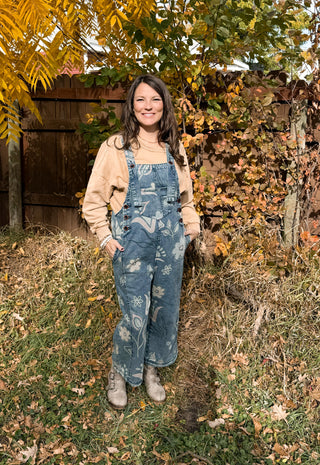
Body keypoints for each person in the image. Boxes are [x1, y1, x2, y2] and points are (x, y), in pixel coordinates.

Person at [83, 74, 200, 409]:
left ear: (164, 105)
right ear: (132, 107)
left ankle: (152, 370)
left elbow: (186, 200)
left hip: (171, 245)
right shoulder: (115, 147)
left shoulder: (174, 148)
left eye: (155, 99)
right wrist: (105, 236)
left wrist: (190, 230)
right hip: (131, 245)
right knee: (135, 312)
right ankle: (119, 373)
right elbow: (93, 201)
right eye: (141, 100)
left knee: (163, 312)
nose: (148, 106)